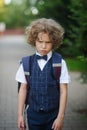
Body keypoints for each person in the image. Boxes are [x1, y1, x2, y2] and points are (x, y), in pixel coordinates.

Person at [16, 18, 70, 130]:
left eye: (48, 42)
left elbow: (63, 91)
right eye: (40, 42)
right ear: (33, 40)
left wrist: (60, 117)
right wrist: (20, 115)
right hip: (33, 115)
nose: (44, 46)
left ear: (54, 42)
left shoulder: (60, 63)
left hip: (53, 115)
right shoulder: (26, 63)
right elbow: (23, 89)